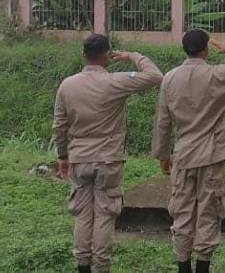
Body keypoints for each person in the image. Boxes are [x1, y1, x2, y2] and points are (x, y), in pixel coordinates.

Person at [152, 29, 225, 273]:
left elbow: (163, 121)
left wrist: (163, 155)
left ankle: (183, 264)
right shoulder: (218, 74)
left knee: (182, 210)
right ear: (205, 49)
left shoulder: (170, 78)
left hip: (182, 154)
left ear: (185, 49)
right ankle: (203, 264)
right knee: (209, 210)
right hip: (212, 154)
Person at [52, 34, 163, 273]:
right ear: (107, 55)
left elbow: (59, 125)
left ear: (84, 54)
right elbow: (155, 76)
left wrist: (63, 156)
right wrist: (133, 55)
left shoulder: (67, 85)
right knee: (104, 214)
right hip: (108, 159)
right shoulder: (116, 81)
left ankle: (82, 264)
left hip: (79, 158)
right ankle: (101, 266)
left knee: (82, 214)